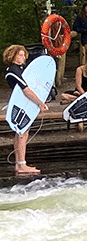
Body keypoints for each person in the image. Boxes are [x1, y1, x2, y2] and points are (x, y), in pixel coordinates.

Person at [5, 45, 48, 176]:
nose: (23, 57)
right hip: (22, 103)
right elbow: (26, 89)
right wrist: (40, 103)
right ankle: (22, 164)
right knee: (22, 133)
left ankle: (20, 164)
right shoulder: (13, 70)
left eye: (24, 55)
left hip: (25, 103)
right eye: (20, 55)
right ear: (12, 56)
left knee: (22, 133)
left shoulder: (21, 69)